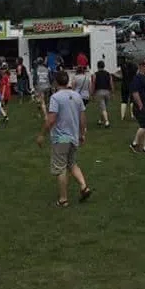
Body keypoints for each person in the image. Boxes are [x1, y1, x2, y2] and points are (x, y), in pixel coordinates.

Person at [36, 71, 92, 207]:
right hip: (73, 136)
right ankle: (84, 186)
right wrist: (82, 133)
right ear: (67, 81)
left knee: (60, 168)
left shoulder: (55, 98)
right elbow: (82, 117)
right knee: (72, 163)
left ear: (55, 82)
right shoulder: (77, 96)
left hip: (61, 138)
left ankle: (63, 199)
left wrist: (42, 134)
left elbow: (51, 119)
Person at [129, 60, 145, 153]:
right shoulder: (137, 78)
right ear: (141, 67)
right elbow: (135, 92)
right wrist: (140, 104)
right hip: (142, 106)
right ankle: (134, 143)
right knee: (144, 126)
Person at [90, 60, 113, 128]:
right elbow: (111, 83)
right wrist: (112, 92)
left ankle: (106, 121)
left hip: (99, 91)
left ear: (97, 66)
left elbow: (93, 83)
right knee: (104, 107)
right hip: (107, 91)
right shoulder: (108, 74)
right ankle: (100, 120)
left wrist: (92, 92)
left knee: (102, 108)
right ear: (104, 66)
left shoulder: (95, 74)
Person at [119, 56, 138, 121]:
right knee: (132, 100)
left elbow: (121, 75)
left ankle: (122, 116)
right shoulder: (135, 67)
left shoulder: (123, 66)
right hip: (132, 84)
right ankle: (132, 115)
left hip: (124, 84)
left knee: (124, 100)